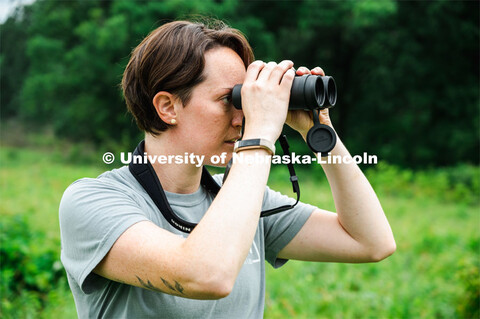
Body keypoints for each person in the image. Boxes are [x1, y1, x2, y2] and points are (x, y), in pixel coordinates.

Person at [59, 19, 396, 318]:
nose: (242, 117)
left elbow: (370, 242)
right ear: (167, 107)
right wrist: (261, 133)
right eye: (230, 100)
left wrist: (320, 133)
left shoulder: (242, 201)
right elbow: (206, 275)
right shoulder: (92, 202)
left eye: (245, 99)